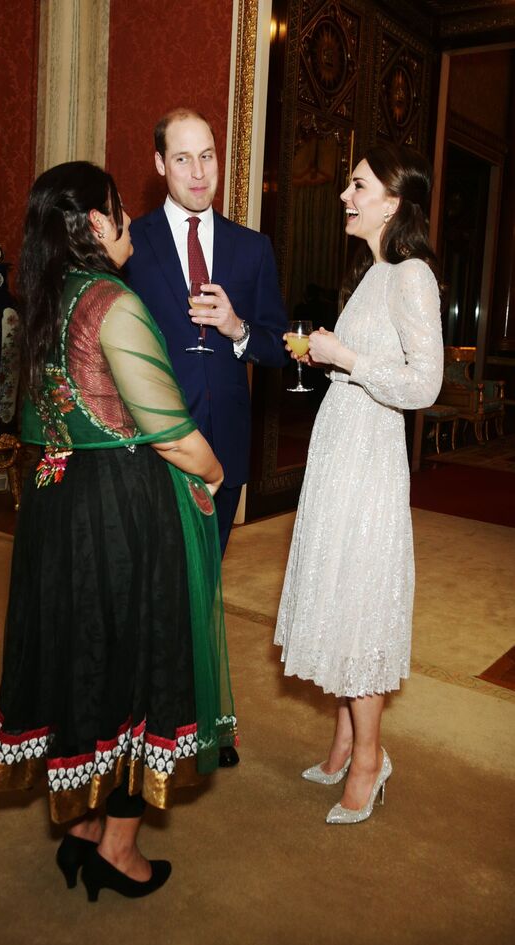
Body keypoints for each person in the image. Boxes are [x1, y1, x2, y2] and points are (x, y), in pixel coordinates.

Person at [0, 161, 237, 900]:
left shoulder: (43, 300)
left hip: (56, 504)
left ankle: (79, 828)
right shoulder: (111, 303)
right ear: (97, 224)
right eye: (121, 210)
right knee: (139, 656)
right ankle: (118, 850)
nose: (129, 221)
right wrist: (216, 473)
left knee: (80, 653)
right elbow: (170, 431)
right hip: (121, 509)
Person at [274, 144, 444, 824]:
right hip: (340, 448)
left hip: (370, 458)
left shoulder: (411, 277)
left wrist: (344, 355)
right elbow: (370, 364)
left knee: (360, 598)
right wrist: (329, 356)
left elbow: (424, 382)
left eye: (358, 184)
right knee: (338, 590)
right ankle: (345, 740)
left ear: (392, 202)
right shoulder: (371, 274)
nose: (345, 194)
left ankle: (372, 758)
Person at [124, 107, 288, 558]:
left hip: (226, 446)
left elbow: (278, 346)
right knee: (155, 582)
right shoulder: (131, 245)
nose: (198, 174)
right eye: (182, 159)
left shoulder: (252, 248)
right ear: (160, 165)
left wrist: (239, 331)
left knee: (206, 579)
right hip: (156, 445)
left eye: (207, 156)